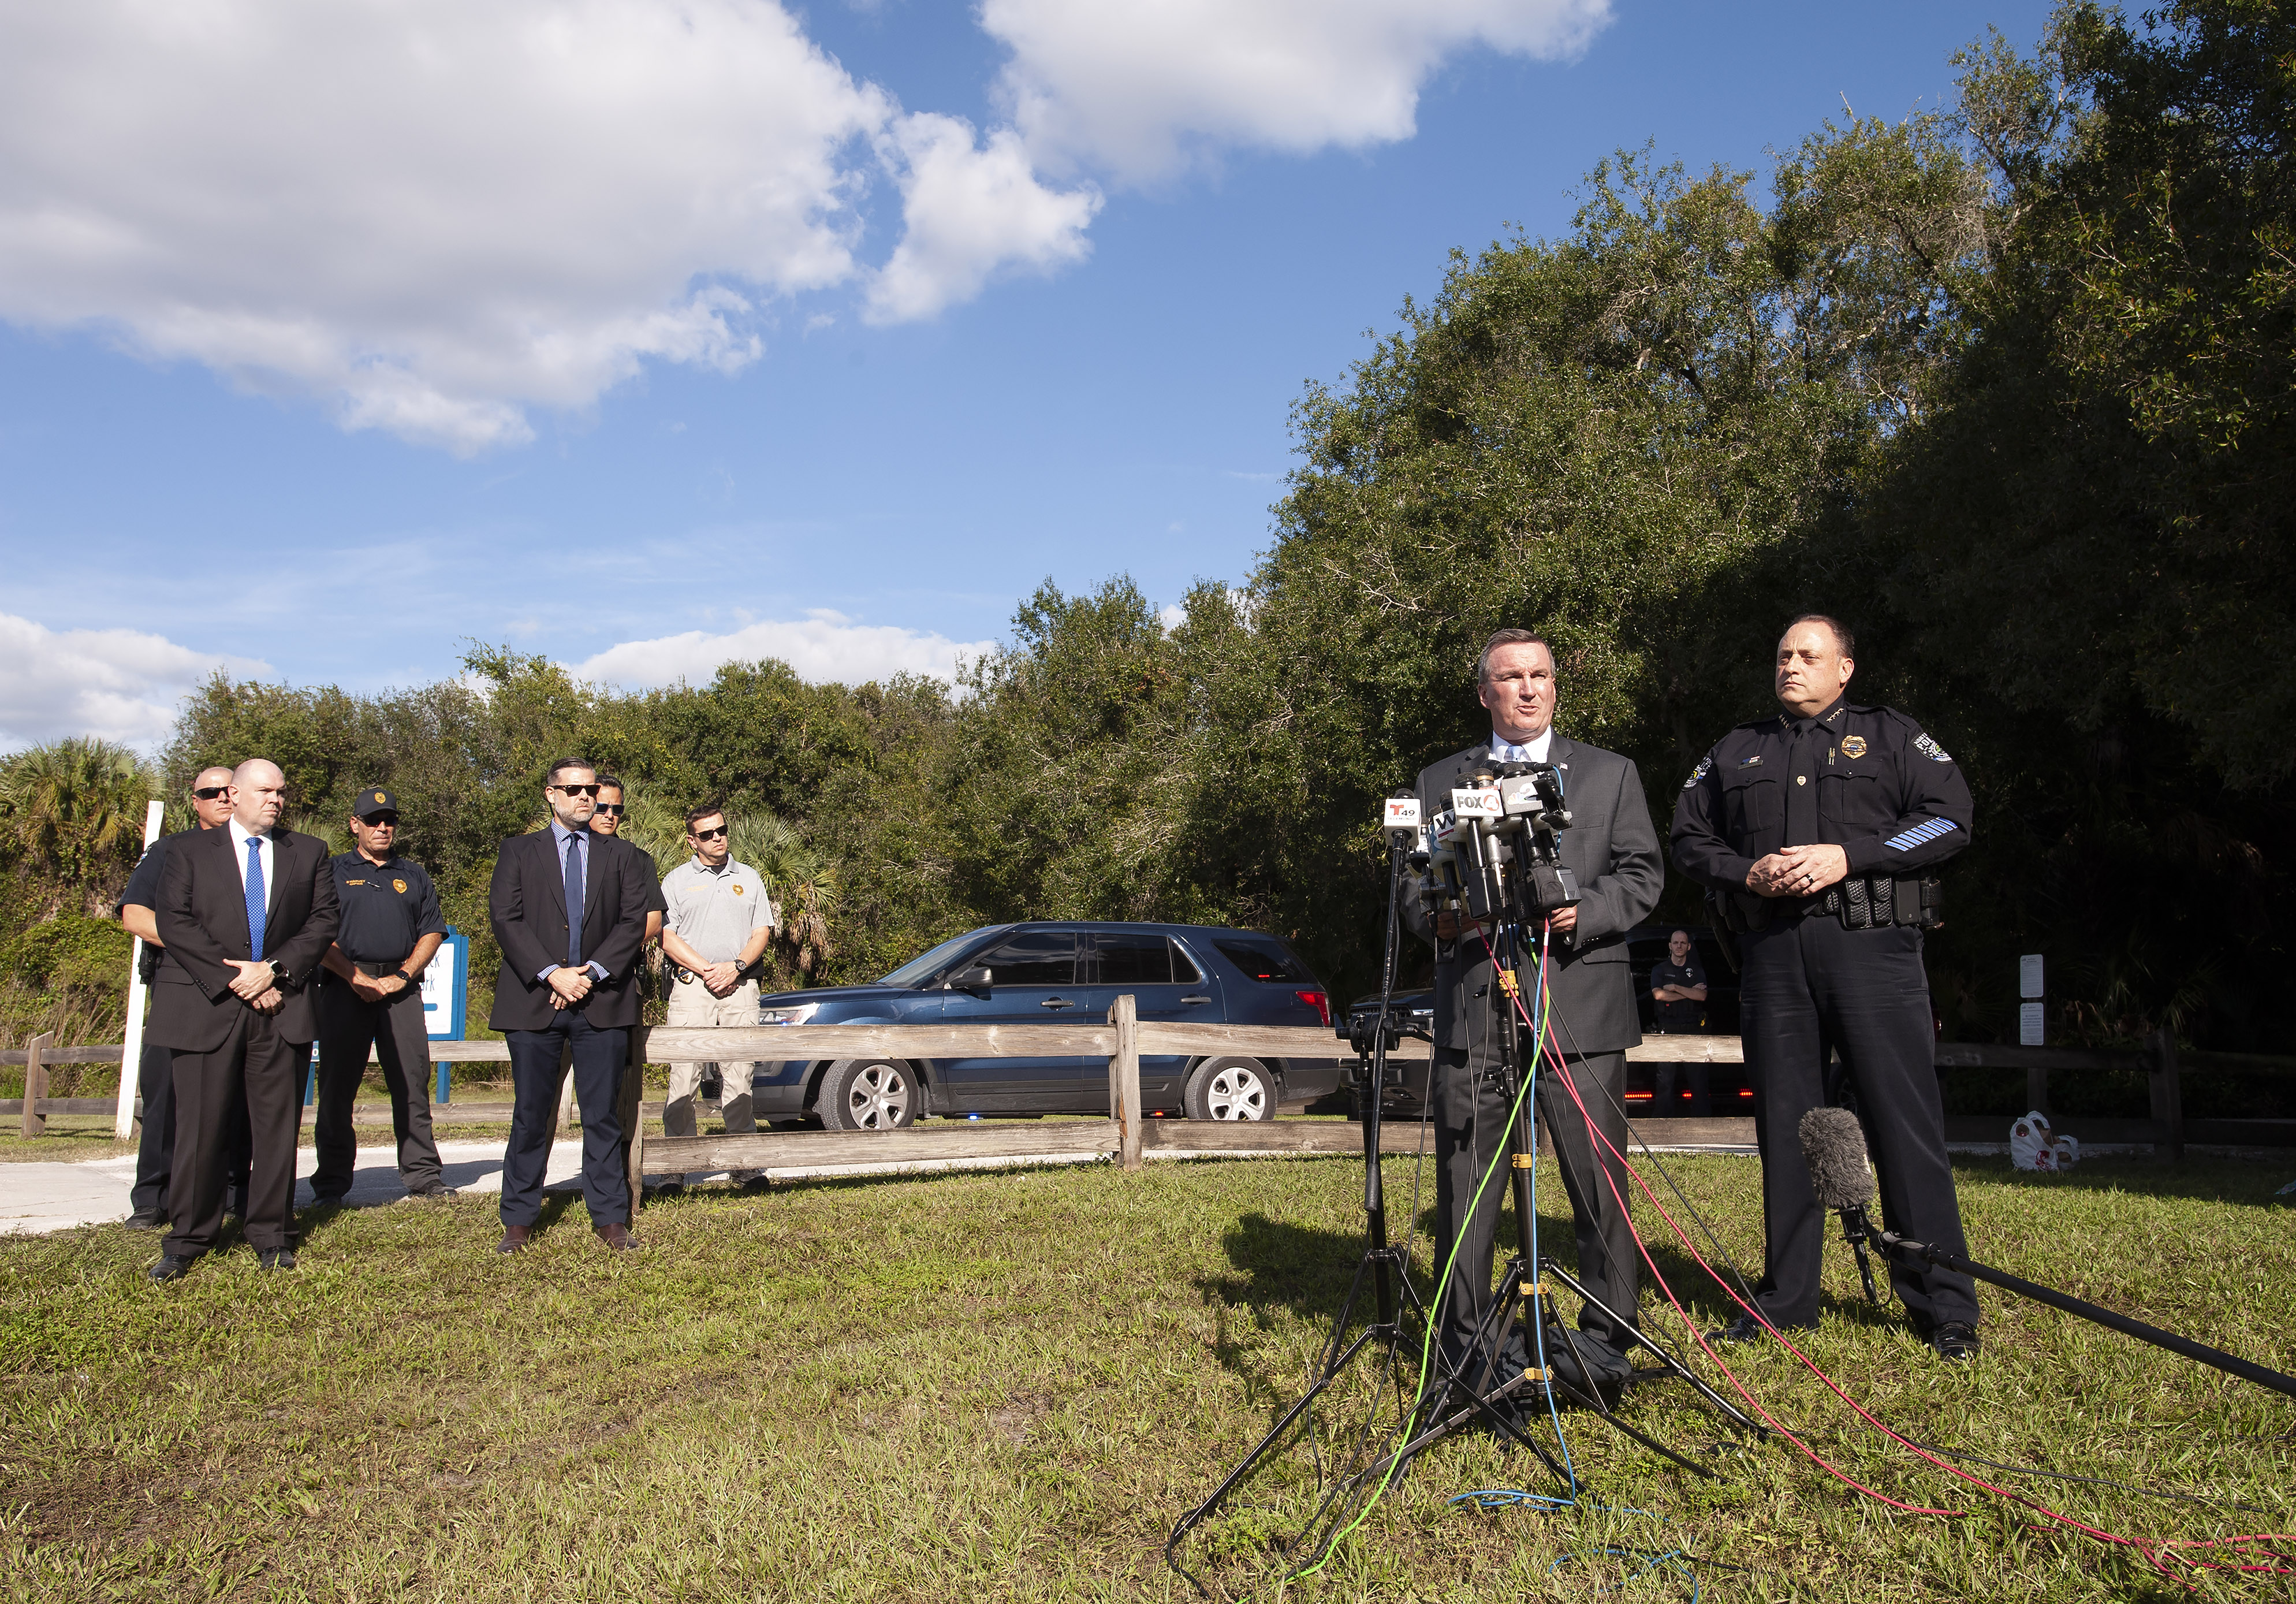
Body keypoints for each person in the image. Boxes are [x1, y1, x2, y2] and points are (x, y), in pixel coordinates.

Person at [1670, 614, 1981, 1360]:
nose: (1791, 666)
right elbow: (1688, 835)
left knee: (1902, 1125)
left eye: (1809, 656)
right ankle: (1785, 1302)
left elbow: (1950, 821)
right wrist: (1741, 870)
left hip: (1872, 952)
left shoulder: (1894, 736)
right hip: (1772, 956)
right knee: (1788, 1129)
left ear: (1846, 668)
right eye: (1782, 655)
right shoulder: (1736, 748)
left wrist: (1855, 855)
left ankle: (1944, 1308)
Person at [1402, 628, 1664, 1402]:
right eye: (1509, 677)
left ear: (1555, 685)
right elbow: (1415, 887)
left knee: (1598, 1188)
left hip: (1579, 1006)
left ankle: (1605, 1350)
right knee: (1468, 1187)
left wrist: (1586, 908)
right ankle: (1469, 1355)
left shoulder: (1611, 775)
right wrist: (1438, 916)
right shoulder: (1440, 779)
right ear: (1483, 691)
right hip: (1477, 1009)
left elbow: (1643, 875)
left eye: (1539, 675)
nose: (1526, 689)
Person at [143, 760, 341, 1279]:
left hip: (283, 1007)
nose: (276, 799)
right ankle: (188, 1238)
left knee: (276, 1130)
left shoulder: (309, 852)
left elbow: (323, 922)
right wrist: (240, 978)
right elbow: (174, 922)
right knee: (200, 1131)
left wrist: (273, 971)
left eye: (281, 791)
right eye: (264, 790)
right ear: (234, 793)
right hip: (206, 1008)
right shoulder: (185, 851)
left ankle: (273, 1234)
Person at [487, 758, 652, 1253]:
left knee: (601, 1113)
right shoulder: (518, 851)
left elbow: (632, 924)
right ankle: (518, 1218)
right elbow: (506, 918)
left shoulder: (621, 855)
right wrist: (552, 973)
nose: (586, 797)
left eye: (592, 790)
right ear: (551, 794)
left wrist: (591, 974)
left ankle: (609, 1216)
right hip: (534, 1000)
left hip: (601, 1001)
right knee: (531, 1112)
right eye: (575, 789)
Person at [117, 766, 248, 1229]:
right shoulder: (169, 851)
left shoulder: (258, 855)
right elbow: (135, 915)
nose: (221, 799)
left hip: (244, 990)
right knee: (166, 1096)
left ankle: (234, 1192)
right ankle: (153, 1197)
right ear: (195, 801)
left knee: (240, 1099)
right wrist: (208, 954)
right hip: (182, 989)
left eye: (227, 790)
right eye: (209, 792)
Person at [310, 788, 454, 1205]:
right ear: (354, 824)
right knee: (337, 1087)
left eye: (389, 819)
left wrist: (403, 975)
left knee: (412, 1081)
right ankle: (332, 1183)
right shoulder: (332, 871)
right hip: (344, 986)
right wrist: (354, 976)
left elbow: (431, 931)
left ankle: (424, 1175)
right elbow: (318, 933)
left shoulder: (413, 874)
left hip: (400, 990)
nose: (382, 827)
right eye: (373, 820)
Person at [657, 803, 776, 1189]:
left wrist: (736, 967)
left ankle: (745, 1165)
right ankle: (676, 1166)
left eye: (721, 830)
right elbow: (666, 936)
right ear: (692, 841)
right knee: (683, 1074)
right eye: (707, 834)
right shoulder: (675, 881)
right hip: (692, 986)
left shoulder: (750, 877)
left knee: (739, 1075)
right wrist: (708, 968)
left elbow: (761, 931)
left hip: (740, 986)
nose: (717, 838)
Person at [589, 776, 667, 947]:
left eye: (617, 809)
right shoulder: (568, 854)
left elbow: (653, 921)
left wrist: (612, 956)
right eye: (601, 808)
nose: (610, 816)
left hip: (621, 966)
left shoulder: (639, 860)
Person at [1649, 928, 1711, 1117]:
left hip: (1692, 1031)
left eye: (1683, 943)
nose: (1679, 946)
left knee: (1698, 1082)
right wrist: (1688, 993)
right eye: (1675, 943)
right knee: (1665, 1083)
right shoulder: (1660, 970)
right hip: (1667, 1031)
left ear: (1689, 946)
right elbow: (1658, 994)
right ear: (1670, 945)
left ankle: (1704, 1124)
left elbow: (1701, 996)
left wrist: (1675, 988)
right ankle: (1663, 1124)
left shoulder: (1697, 970)